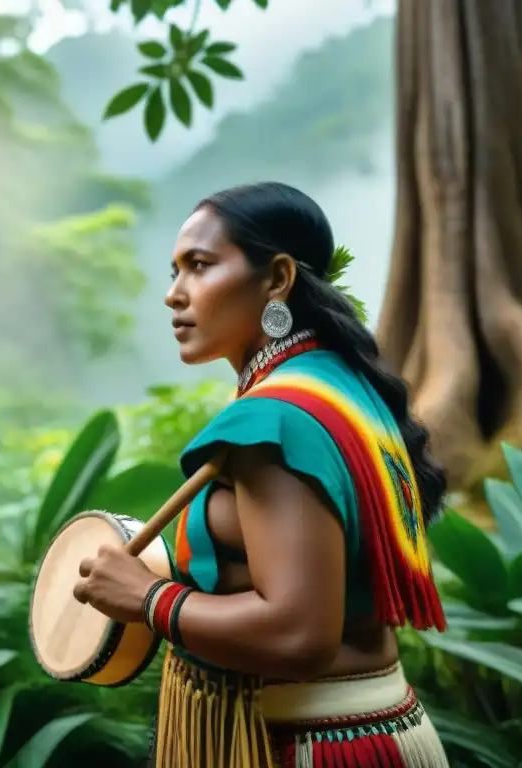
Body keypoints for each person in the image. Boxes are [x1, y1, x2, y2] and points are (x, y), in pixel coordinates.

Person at [72, 182, 450, 767]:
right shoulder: (340, 388)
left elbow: (300, 633)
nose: (174, 295)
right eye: (174, 271)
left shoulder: (274, 419)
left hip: (305, 747)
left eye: (199, 266)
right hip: (365, 730)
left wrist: (148, 598)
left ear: (276, 279)